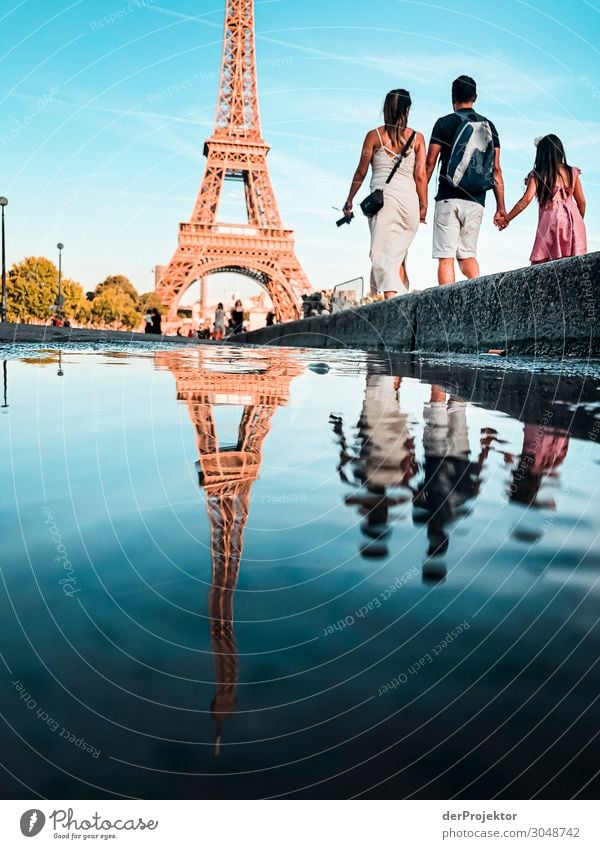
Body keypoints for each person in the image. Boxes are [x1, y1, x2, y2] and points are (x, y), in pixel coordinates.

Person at [343, 88, 427, 298]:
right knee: (398, 256)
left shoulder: (374, 136)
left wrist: (349, 199)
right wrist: (423, 205)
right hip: (409, 204)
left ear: (386, 108)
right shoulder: (418, 139)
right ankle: (401, 300)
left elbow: (361, 171)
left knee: (383, 255)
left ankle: (392, 302)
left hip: (384, 202)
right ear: (408, 109)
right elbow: (420, 175)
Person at [426, 75, 506, 285]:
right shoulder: (489, 126)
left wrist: (421, 201)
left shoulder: (444, 123)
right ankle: (480, 296)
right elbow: (496, 170)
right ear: (475, 97)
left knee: (446, 258)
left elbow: (429, 163)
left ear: (452, 97)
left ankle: (446, 307)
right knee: (468, 255)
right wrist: (501, 207)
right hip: (476, 200)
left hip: (447, 197)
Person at [498, 135, 587, 262]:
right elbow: (582, 202)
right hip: (574, 221)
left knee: (541, 262)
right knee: (572, 265)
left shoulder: (538, 174)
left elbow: (526, 199)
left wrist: (507, 219)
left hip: (551, 221)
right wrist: (578, 220)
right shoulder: (572, 172)